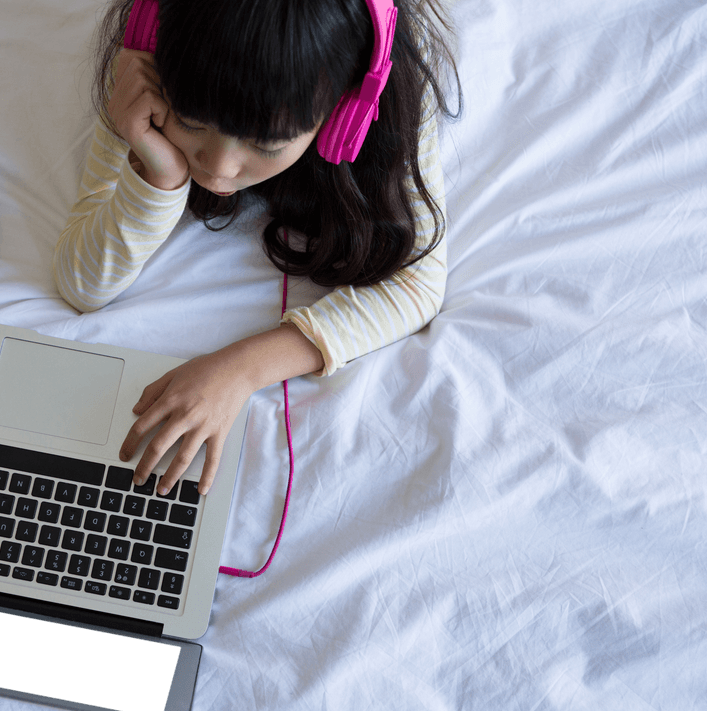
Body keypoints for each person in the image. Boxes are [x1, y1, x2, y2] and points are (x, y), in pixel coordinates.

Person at [54, 0, 460, 497]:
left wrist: (240, 370)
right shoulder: (162, 50)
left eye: (267, 146)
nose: (219, 169)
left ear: (343, 119)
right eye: (190, 120)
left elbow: (418, 283)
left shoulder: (385, 86)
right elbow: (82, 283)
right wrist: (157, 174)